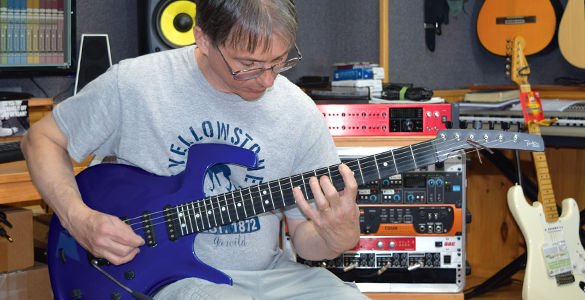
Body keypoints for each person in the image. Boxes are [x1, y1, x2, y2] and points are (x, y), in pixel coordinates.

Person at [21, 0, 368, 299]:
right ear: (203, 38)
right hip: (166, 278)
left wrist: (339, 234)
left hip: (269, 275)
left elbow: (305, 239)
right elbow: (41, 140)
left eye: (279, 61)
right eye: (248, 65)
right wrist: (78, 217)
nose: (267, 80)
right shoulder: (137, 84)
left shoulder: (298, 112)